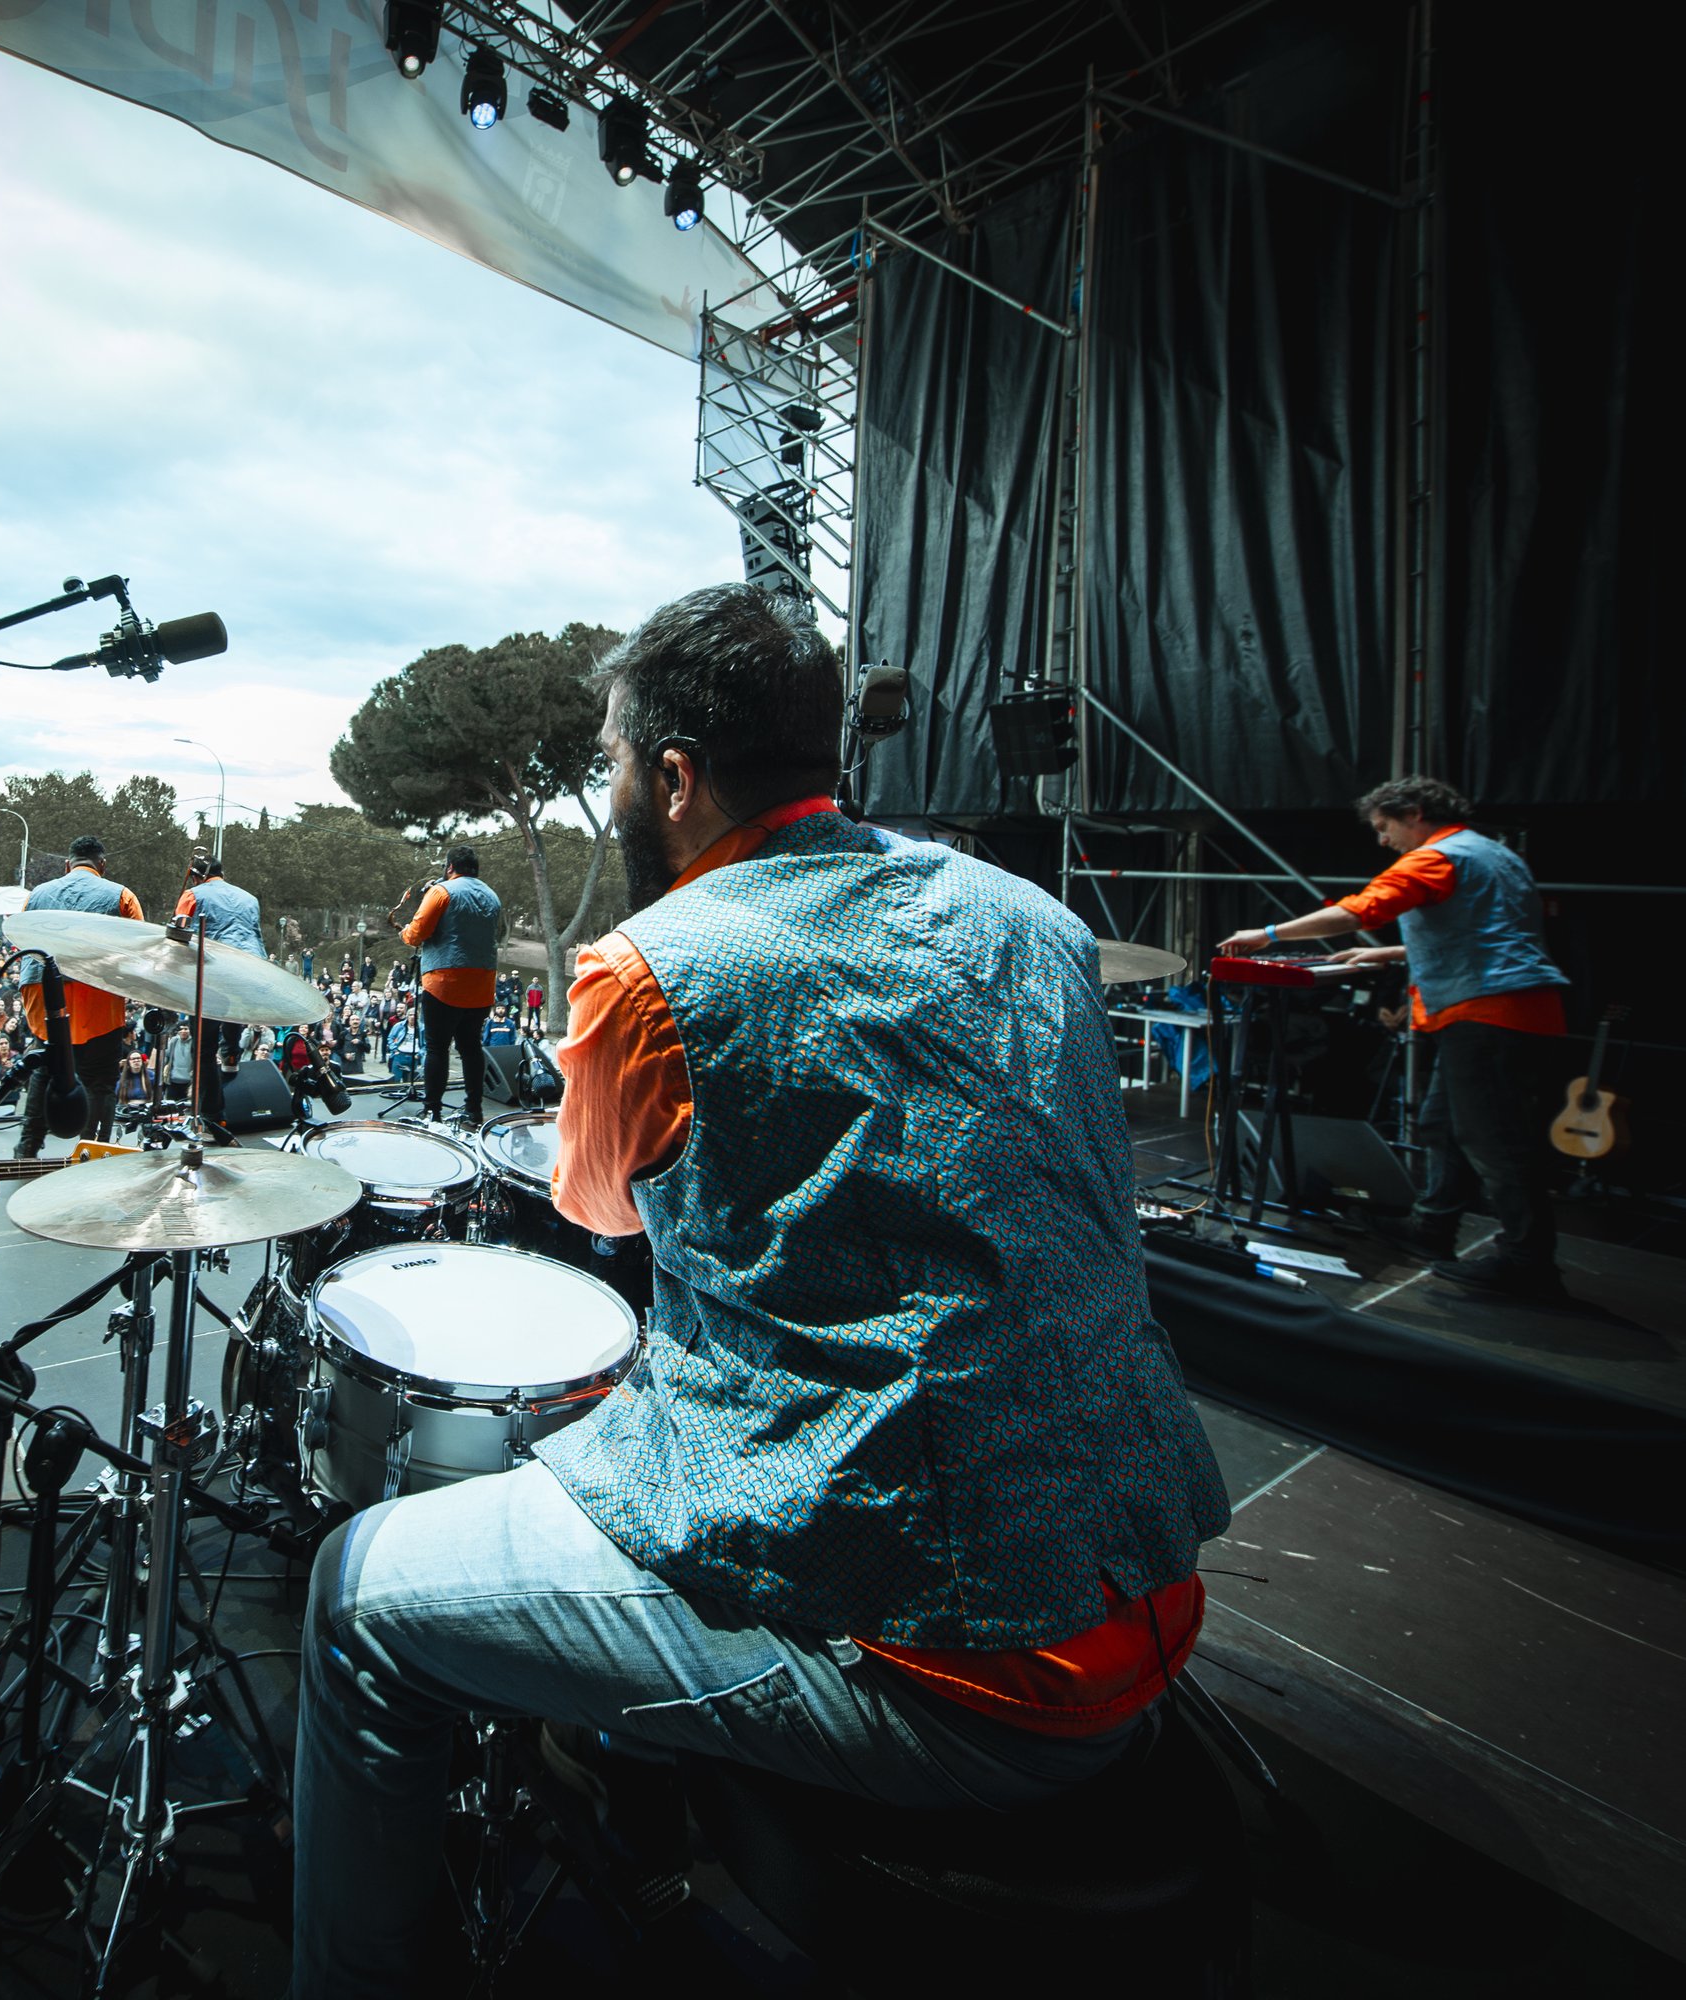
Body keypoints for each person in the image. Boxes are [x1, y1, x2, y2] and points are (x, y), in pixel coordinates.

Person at [292, 584, 1229, 1993]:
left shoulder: (652, 970)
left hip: (953, 1669)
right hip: (1141, 1574)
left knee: (360, 1595)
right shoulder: (1033, 921)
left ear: (672, 777)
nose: (608, 785)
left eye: (610, 761)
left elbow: (594, 1203)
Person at [1218, 775, 1570, 1298]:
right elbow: (1487, 932)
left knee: (1495, 1143)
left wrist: (1266, 934)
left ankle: (1529, 1263)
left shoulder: (1437, 856)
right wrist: (1382, 954)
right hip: (1502, 1011)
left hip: (1488, 1013)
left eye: (1386, 828)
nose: (1384, 841)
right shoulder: (1495, 855)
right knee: (1442, 1125)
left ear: (1414, 813)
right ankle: (1432, 1228)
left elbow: (1361, 908)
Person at [17, 836, 144, 1151]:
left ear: (67, 864)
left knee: (46, 1069)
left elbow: (22, 942)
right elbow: (140, 946)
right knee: (99, 1080)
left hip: (43, 990)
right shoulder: (122, 895)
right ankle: (92, 1149)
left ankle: (27, 1148)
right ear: (102, 865)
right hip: (94, 992)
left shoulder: (36, 894)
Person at [395, 845, 501, 1127]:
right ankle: (473, 1110)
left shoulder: (441, 892)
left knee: (437, 1048)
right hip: (482, 983)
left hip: (445, 981)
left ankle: (432, 1112)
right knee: (471, 1047)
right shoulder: (492, 896)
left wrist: (405, 932)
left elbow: (417, 934)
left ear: (450, 866)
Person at [173, 852, 266, 1126]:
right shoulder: (250, 898)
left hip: (211, 970)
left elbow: (178, 934)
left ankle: (213, 1116)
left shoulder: (193, 894)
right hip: (247, 966)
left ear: (196, 875)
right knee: (233, 1011)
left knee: (203, 1046)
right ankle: (231, 1054)